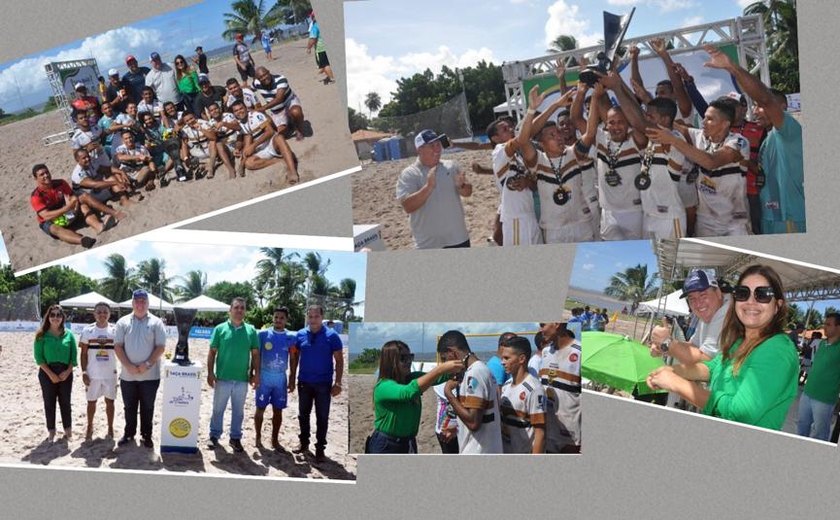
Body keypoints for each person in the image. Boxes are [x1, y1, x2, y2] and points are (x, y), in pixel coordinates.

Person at [647, 265, 799, 430]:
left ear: (777, 305)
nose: (750, 302)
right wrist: (674, 371)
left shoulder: (777, 350)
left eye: (762, 295)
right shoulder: (741, 340)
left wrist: (677, 383)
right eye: (743, 293)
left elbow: (741, 414)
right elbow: (712, 367)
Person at [702, 44, 804, 234]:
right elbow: (763, 173)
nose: (755, 110)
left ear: (781, 106)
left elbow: (766, 99)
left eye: (759, 106)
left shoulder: (790, 132)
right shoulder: (767, 140)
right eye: (754, 106)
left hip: (788, 219)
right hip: (769, 216)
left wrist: (732, 67)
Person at [368, 340, 463, 453]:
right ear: (390, 362)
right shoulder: (383, 386)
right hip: (387, 444)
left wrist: (456, 366)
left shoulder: (410, 379)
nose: (409, 361)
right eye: (403, 358)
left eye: (410, 357)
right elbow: (408, 392)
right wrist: (440, 369)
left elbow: (438, 378)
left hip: (408, 442)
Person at [396, 129, 472, 249]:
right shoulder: (409, 174)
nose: (437, 149)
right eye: (432, 146)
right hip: (428, 244)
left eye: (438, 145)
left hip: (458, 238)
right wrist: (428, 187)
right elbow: (407, 206)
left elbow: (468, 192)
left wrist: (461, 186)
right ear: (419, 149)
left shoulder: (451, 166)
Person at [289, 304, 343, 462]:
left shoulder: (332, 336)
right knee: (303, 415)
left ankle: (320, 448)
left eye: (316, 316)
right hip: (304, 382)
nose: (313, 320)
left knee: (322, 417)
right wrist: (292, 378)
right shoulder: (299, 335)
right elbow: (294, 357)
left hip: (323, 385)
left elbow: (339, 361)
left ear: (322, 317)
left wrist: (338, 382)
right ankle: (304, 443)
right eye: (310, 316)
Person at [114, 289, 167, 448]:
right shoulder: (122, 322)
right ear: (132, 303)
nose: (140, 304)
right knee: (129, 407)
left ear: (148, 303)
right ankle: (129, 434)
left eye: (143, 301)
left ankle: (146, 435)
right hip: (128, 375)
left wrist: (147, 364)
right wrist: (128, 366)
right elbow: (118, 346)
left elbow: (161, 347)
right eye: (137, 301)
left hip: (150, 376)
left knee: (148, 407)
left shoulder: (156, 322)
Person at [207, 297, 259, 453]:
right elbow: (212, 353)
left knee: (239, 411)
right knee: (218, 409)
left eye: (242, 308)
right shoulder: (220, 329)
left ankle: (235, 438)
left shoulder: (251, 330)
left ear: (245, 311)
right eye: (236, 307)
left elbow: (255, 354)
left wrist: (256, 374)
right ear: (230, 310)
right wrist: (210, 373)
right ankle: (214, 435)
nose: (239, 310)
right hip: (222, 377)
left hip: (242, 379)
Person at [440, 330, 503, 454]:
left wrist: (448, 393)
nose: (444, 364)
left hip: (479, 451)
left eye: (444, 359)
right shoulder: (476, 370)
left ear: (452, 353)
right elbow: (481, 415)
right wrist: (458, 427)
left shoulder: (476, 373)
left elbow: (473, 422)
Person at [650, 269, 730, 364]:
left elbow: (707, 358)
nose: (698, 304)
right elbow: (693, 346)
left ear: (718, 293)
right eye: (692, 299)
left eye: (703, 296)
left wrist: (667, 343)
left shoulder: (727, 310)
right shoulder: (708, 313)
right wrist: (663, 347)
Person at [30, 163, 120, 248]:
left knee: (84, 200)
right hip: (52, 220)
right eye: (42, 175)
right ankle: (83, 240)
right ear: (35, 178)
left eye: (47, 172)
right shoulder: (36, 196)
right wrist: (67, 208)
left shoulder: (60, 183)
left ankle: (99, 225)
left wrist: (75, 204)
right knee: (54, 229)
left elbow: (72, 196)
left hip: (67, 212)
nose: (46, 175)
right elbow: (46, 216)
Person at [254, 306, 296, 450]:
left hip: (280, 379)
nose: (278, 320)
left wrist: (292, 378)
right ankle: (258, 438)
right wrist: (254, 374)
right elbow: (256, 355)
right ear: (273, 318)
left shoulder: (291, 337)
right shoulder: (263, 334)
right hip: (264, 377)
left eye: (281, 318)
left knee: (278, 410)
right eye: (276, 317)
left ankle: (275, 440)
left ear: (286, 320)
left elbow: (293, 358)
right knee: (260, 408)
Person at [33, 304, 77, 442]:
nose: (55, 317)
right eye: (52, 315)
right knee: (49, 403)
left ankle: (68, 431)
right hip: (47, 372)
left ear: (62, 317)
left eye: (58, 315)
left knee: (65, 402)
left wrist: (67, 372)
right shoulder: (41, 335)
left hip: (65, 372)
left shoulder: (69, 334)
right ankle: (51, 431)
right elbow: (39, 358)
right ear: (48, 317)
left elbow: (73, 358)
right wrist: (51, 374)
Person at [230, 99, 299, 184]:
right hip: (260, 150)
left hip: (270, 143)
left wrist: (253, 146)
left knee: (279, 138)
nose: (239, 112)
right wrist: (237, 148)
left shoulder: (255, 115)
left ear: (245, 108)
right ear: (233, 113)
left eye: (241, 108)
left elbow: (270, 131)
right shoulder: (239, 124)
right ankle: (278, 161)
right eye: (236, 110)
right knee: (249, 164)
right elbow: (239, 139)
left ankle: (292, 171)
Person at [538, 322, 581, 453]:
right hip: (548, 429)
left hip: (570, 434)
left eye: (543, 325)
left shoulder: (579, 352)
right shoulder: (545, 352)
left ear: (556, 324)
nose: (540, 330)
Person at [499, 335, 546, 454]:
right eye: (502, 358)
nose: (502, 362)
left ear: (521, 359)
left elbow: (540, 433)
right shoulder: (506, 386)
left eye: (506, 358)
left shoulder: (534, 390)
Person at [797, 314, 840, 440]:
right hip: (807, 392)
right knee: (801, 426)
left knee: (819, 434)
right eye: (824, 324)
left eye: (828, 324)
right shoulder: (821, 344)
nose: (824, 327)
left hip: (824, 399)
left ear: (838, 327)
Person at [79, 302, 118, 441]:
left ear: (109, 314)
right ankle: (89, 426)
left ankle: (110, 427)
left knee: (110, 402)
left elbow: (122, 352)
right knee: (91, 402)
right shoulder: (87, 331)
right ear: (94, 314)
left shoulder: (115, 331)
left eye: (105, 312)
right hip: (93, 374)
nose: (102, 314)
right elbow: (83, 354)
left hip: (110, 374)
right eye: (99, 312)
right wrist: (84, 371)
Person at [252, 66, 305, 140]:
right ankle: (289, 122)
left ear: (268, 72)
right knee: (283, 135)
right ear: (257, 79)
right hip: (277, 110)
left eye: (265, 74)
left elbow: (279, 99)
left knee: (296, 112)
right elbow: (250, 88)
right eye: (260, 77)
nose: (264, 78)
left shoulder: (280, 80)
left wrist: (262, 108)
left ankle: (299, 130)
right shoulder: (256, 83)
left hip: (289, 103)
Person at [307, 12, 335, 85]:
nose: (311, 18)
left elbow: (312, 39)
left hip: (321, 49)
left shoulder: (315, 27)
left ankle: (332, 78)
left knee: (325, 65)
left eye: (312, 17)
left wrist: (308, 48)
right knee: (327, 64)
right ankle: (329, 76)